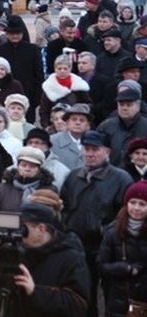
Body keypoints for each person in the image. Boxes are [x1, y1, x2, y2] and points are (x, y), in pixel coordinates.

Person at [61, 130, 133, 317]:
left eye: (95, 149)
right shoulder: (73, 176)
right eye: (86, 149)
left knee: (112, 296)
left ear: (107, 151)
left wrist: (104, 231)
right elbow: (64, 207)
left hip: (108, 247)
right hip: (78, 245)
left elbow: (125, 214)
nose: (90, 153)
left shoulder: (121, 178)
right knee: (84, 294)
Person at [0, 202, 90, 317]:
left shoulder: (71, 258)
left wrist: (35, 291)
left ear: (41, 228)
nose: (19, 234)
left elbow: (78, 306)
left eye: (23, 228)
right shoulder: (16, 251)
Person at [98, 180, 147, 317]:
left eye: (142, 204)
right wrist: (127, 269)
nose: (136, 208)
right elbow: (102, 264)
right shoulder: (113, 232)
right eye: (132, 203)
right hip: (119, 299)